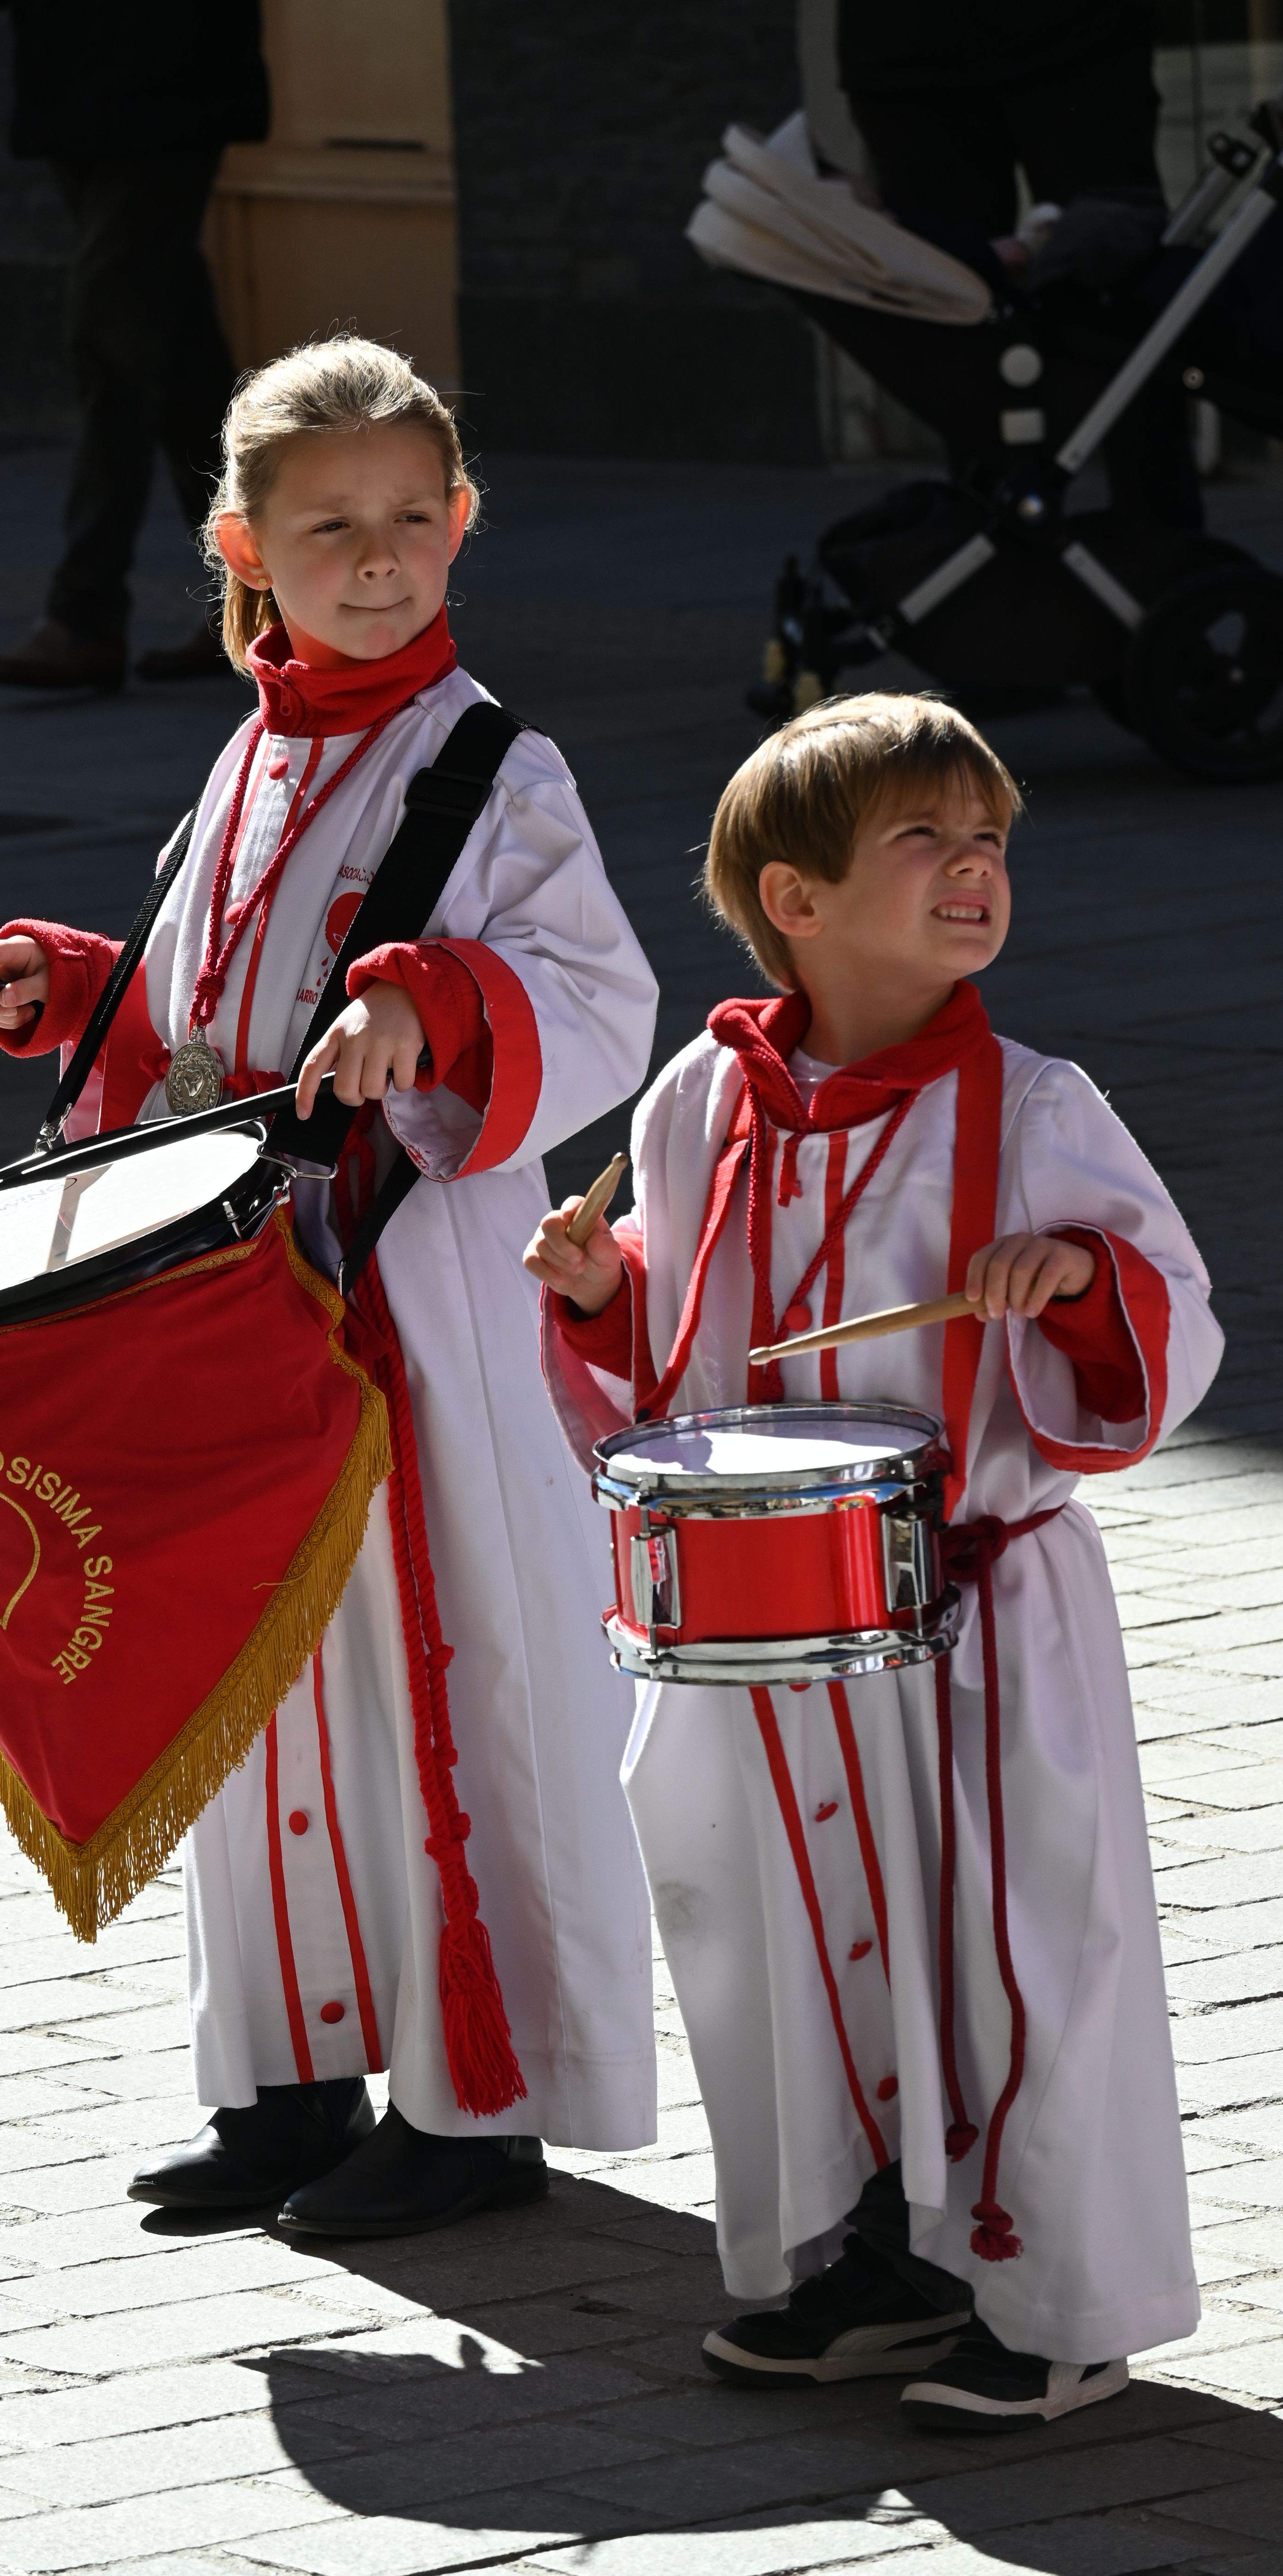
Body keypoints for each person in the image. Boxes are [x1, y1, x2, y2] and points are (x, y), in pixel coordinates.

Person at [0, 335, 661, 2235]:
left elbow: (599, 1004)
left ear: (462, 525)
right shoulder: (252, 745)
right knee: (265, 1694)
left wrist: (436, 1001)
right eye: (328, 525)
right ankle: (287, 2075)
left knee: (445, 1689)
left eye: (410, 521)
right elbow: (207, 1037)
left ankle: (469, 2104)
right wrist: (78, 985)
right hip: (242, 1316)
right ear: (239, 542)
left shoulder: (498, 767)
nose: (375, 557)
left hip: (412, 1322)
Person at [529, 693, 1221, 2426]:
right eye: (922, 840)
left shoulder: (1037, 1106)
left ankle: (1052, 2300)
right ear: (796, 899)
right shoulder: (699, 1097)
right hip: (769, 1625)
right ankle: (868, 2261)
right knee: (780, 1934)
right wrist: (604, 1290)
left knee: (1016, 1950)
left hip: (979, 1608)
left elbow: (1169, 1318)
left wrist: (1074, 1283)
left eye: (986, 840)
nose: (971, 869)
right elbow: (687, 1363)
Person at [0, 0, 268, 688]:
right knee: (179, 357)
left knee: (115, 348)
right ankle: (263, 602)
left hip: (172, 85)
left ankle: (87, 612)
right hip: (77, 86)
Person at [835, 0, 1199, 526]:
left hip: (1074, 38)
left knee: (1125, 282)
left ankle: (1166, 549)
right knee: (960, 313)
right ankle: (994, 548)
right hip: (907, 56)